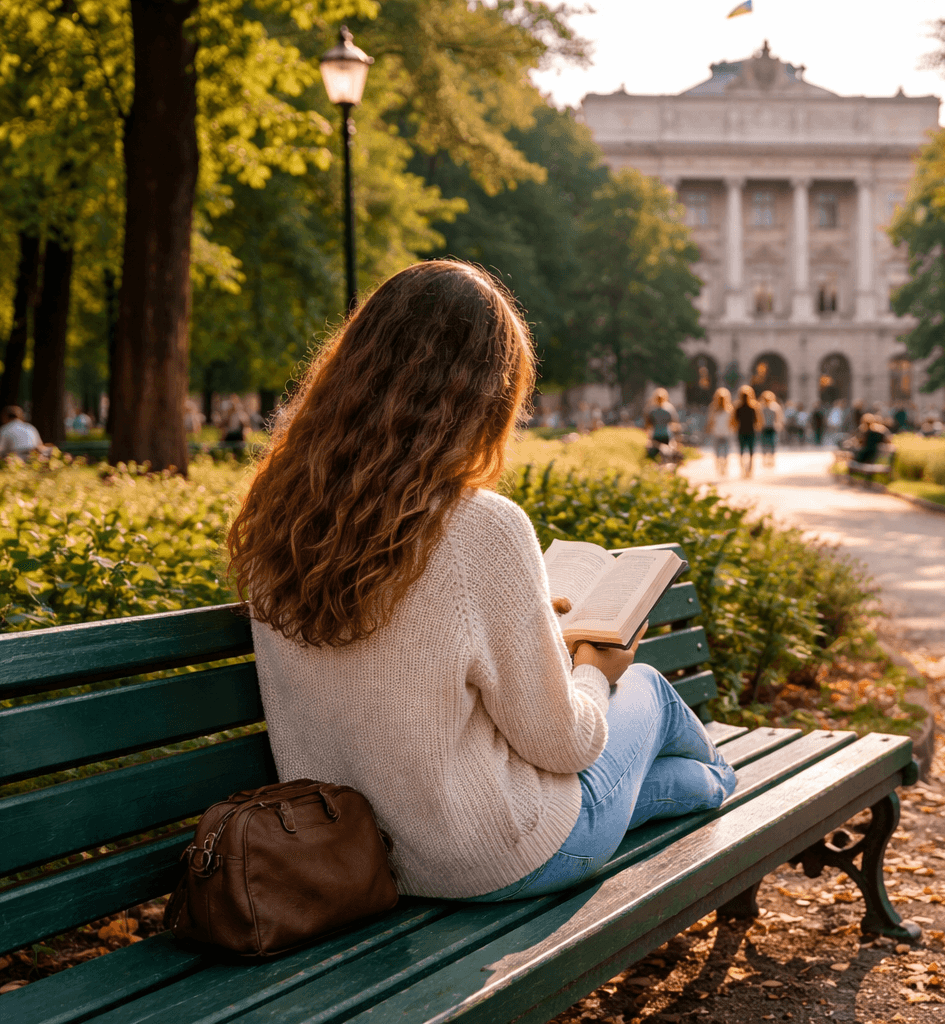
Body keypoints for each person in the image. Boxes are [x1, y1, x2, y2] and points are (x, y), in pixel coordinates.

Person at [224, 260, 735, 903]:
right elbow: (566, 744)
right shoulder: (480, 527)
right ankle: (723, 780)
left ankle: (711, 782)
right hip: (490, 859)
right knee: (653, 694)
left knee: (671, 775)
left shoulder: (280, 515)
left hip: (351, 852)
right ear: (482, 399)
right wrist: (594, 671)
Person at [733, 384, 761, 478]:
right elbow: (757, 420)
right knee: (751, 452)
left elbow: (734, 420)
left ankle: (742, 469)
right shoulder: (754, 407)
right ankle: (749, 470)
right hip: (751, 431)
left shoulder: (738, 407)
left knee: (741, 451)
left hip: (741, 431)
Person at [645, 388, 679, 461]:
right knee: (671, 452)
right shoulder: (669, 408)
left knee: (653, 456)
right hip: (666, 435)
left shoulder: (651, 410)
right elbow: (675, 422)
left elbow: (648, 424)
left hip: (656, 435)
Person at [707, 387, 734, 476]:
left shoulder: (713, 408)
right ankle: (724, 466)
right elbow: (732, 422)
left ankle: (720, 465)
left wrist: (709, 428)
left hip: (717, 432)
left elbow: (710, 421)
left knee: (718, 451)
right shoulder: (730, 409)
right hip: (725, 432)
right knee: (725, 451)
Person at [758, 389, 782, 469]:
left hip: (771, 428)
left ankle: (771, 459)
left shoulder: (774, 406)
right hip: (766, 428)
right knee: (766, 444)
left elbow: (778, 418)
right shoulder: (761, 407)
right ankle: (766, 459)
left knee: (772, 444)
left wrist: (778, 425)